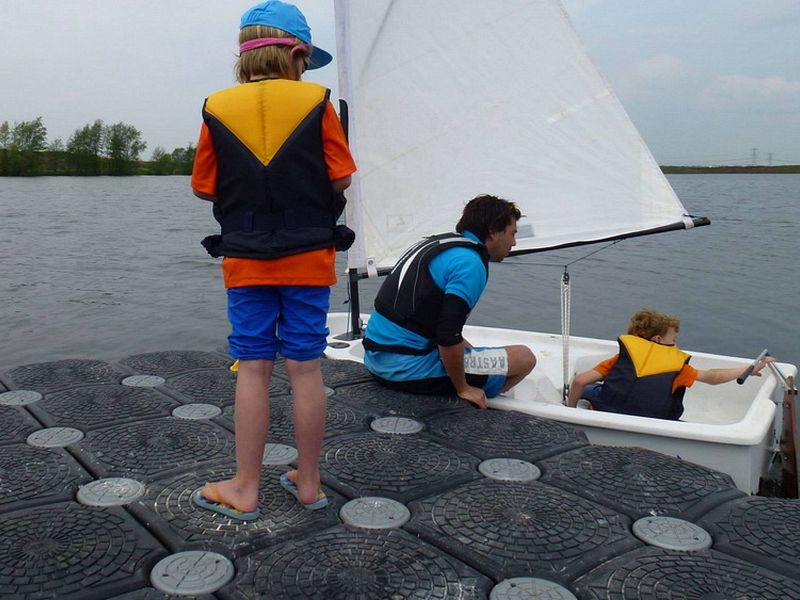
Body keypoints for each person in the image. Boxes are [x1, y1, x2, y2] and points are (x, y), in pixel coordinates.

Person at [189, 0, 357, 520]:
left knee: (253, 367)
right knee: (305, 369)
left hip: (246, 261)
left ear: (244, 56)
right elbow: (341, 177)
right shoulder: (318, 102)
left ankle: (245, 487)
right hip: (308, 259)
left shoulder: (216, 107)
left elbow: (203, 187)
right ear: (298, 55)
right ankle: (308, 482)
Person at [362, 194, 536, 409]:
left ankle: (480, 383)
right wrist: (463, 387)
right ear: (493, 231)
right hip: (406, 369)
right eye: (512, 233)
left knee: (466, 347)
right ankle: (483, 398)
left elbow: (435, 326)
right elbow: (447, 336)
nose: (514, 242)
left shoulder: (437, 245)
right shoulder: (470, 263)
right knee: (525, 358)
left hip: (375, 359)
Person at [567, 308, 775, 420]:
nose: (676, 343)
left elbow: (579, 381)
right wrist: (748, 369)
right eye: (673, 339)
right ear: (658, 339)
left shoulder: (620, 359)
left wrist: (570, 411)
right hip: (653, 420)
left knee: (589, 387)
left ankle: (576, 404)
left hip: (607, 413)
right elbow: (713, 377)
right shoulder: (678, 368)